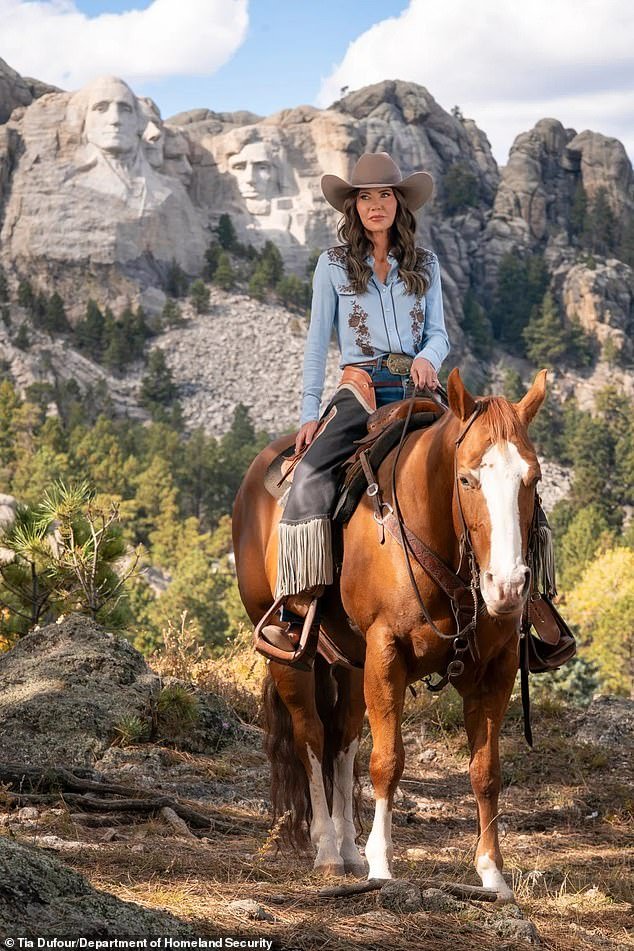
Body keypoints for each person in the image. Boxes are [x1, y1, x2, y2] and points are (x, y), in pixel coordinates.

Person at [262, 151, 450, 649]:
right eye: (365, 197)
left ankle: (527, 607)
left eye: (385, 195)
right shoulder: (332, 265)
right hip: (361, 390)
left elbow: (439, 333)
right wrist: (309, 413)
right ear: (354, 206)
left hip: (418, 387)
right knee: (309, 474)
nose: (375, 205)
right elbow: (315, 342)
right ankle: (297, 606)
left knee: (488, 462)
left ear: (399, 203)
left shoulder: (427, 264)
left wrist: (427, 357)